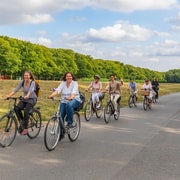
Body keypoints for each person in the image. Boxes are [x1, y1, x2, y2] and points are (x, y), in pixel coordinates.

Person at [7, 71, 37, 135]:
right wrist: (9, 95)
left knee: (26, 111)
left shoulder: (32, 82)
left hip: (32, 99)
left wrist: (28, 96)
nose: (25, 77)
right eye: (24, 75)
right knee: (17, 108)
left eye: (27, 75)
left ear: (30, 76)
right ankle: (22, 122)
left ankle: (25, 128)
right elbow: (16, 89)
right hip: (24, 98)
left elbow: (31, 90)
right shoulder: (22, 82)